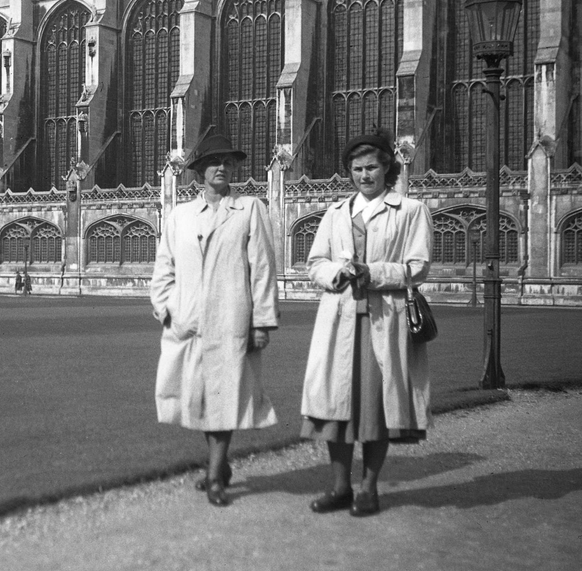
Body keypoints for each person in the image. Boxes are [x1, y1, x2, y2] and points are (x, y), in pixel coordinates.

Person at [300, 129, 433, 517]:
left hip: (384, 319)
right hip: (339, 319)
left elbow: (418, 266)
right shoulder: (336, 212)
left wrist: (370, 271)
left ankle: (368, 488)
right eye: (357, 169)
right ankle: (340, 487)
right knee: (334, 408)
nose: (364, 175)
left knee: (377, 407)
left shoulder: (410, 211)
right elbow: (315, 262)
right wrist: (335, 274)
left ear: (387, 167)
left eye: (372, 167)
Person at [150, 134, 279, 507]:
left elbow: (263, 268)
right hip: (188, 322)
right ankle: (219, 467)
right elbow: (164, 268)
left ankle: (214, 475)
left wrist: (262, 321)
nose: (221, 167)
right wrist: (167, 310)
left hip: (231, 318)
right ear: (199, 172)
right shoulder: (180, 215)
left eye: (226, 162)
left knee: (224, 397)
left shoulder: (250, 208)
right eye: (213, 162)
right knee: (200, 399)